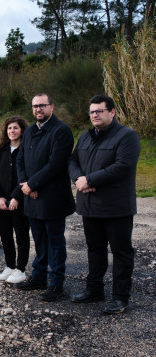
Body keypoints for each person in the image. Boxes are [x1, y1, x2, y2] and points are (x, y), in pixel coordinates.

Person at [68, 95, 141, 314]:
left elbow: (123, 166)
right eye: (92, 112)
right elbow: (72, 161)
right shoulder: (86, 136)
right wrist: (79, 180)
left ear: (112, 112)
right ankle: (94, 290)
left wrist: (90, 180)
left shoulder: (126, 136)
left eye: (99, 111)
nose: (95, 115)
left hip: (116, 206)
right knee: (95, 249)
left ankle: (120, 297)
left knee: (121, 252)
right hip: (90, 205)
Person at [16, 93, 75, 301]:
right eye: (34, 106)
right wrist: (25, 185)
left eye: (42, 105)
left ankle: (57, 283)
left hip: (53, 197)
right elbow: (20, 160)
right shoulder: (30, 130)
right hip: (31, 196)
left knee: (55, 242)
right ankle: (39, 277)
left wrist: (33, 183)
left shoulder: (62, 131)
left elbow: (56, 164)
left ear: (52, 106)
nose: (38, 109)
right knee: (39, 239)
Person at [0, 117, 30, 284]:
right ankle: (10, 266)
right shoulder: (1, 151)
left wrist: (16, 196)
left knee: (21, 236)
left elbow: (27, 177)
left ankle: (20, 269)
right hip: (2, 202)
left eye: (15, 128)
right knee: (5, 236)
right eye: (9, 128)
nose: (12, 131)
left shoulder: (27, 150)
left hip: (19, 201)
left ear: (22, 130)